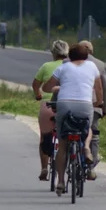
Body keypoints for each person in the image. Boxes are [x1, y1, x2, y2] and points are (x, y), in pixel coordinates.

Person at [41, 42, 104, 195]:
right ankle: (87, 148)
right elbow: (99, 88)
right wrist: (97, 103)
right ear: (86, 56)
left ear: (70, 56)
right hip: (85, 105)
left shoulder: (63, 67)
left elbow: (46, 88)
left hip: (65, 105)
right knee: (87, 128)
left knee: (62, 145)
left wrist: (57, 88)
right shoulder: (92, 67)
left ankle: (61, 182)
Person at [32, 40, 70, 181]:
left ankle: (44, 169)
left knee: (44, 136)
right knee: (65, 136)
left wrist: (38, 95)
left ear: (53, 53)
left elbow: (36, 84)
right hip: (66, 104)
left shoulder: (46, 66)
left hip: (48, 105)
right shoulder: (70, 66)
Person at [79, 40, 106, 181]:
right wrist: (104, 106)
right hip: (93, 105)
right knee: (94, 132)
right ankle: (91, 166)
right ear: (91, 51)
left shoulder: (69, 62)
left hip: (73, 104)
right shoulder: (99, 64)